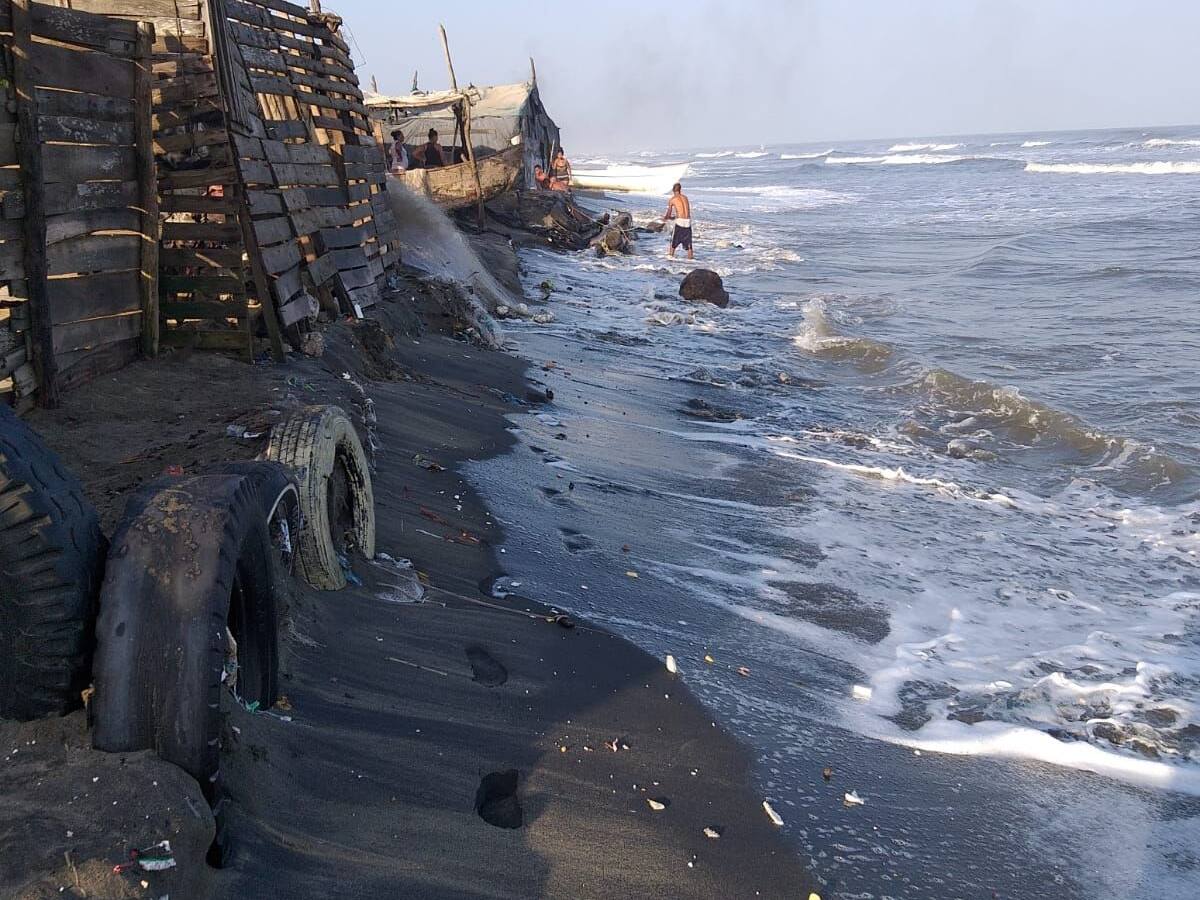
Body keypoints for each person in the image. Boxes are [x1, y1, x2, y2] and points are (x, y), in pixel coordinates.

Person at [663, 182, 693, 259]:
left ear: (673, 190)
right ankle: (691, 261)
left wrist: (665, 218)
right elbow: (684, 211)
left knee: (673, 243)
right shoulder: (685, 198)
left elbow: (668, 214)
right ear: (680, 189)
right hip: (688, 221)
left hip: (680, 222)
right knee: (689, 245)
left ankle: (670, 259)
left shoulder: (672, 200)